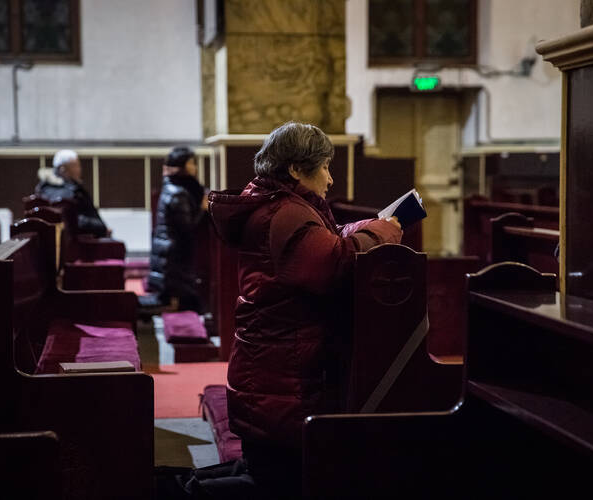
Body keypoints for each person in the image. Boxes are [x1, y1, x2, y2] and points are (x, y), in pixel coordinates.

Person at [198, 122, 402, 499]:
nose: (330, 176)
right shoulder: (288, 212)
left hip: (274, 362)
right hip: (284, 369)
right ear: (295, 169)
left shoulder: (280, 205)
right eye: (324, 166)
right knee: (278, 485)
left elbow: (326, 240)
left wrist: (366, 226)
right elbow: (332, 265)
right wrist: (384, 233)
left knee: (272, 474)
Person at [147, 146, 207, 312]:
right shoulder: (179, 193)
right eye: (191, 163)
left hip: (170, 257)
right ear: (182, 166)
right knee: (192, 305)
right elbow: (187, 228)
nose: (194, 167)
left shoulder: (172, 186)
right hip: (175, 261)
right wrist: (203, 209)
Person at [35, 149, 110, 238]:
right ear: (63, 170)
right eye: (75, 166)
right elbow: (71, 219)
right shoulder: (57, 191)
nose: (79, 170)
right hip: (76, 242)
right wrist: (101, 228)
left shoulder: (74, 188)